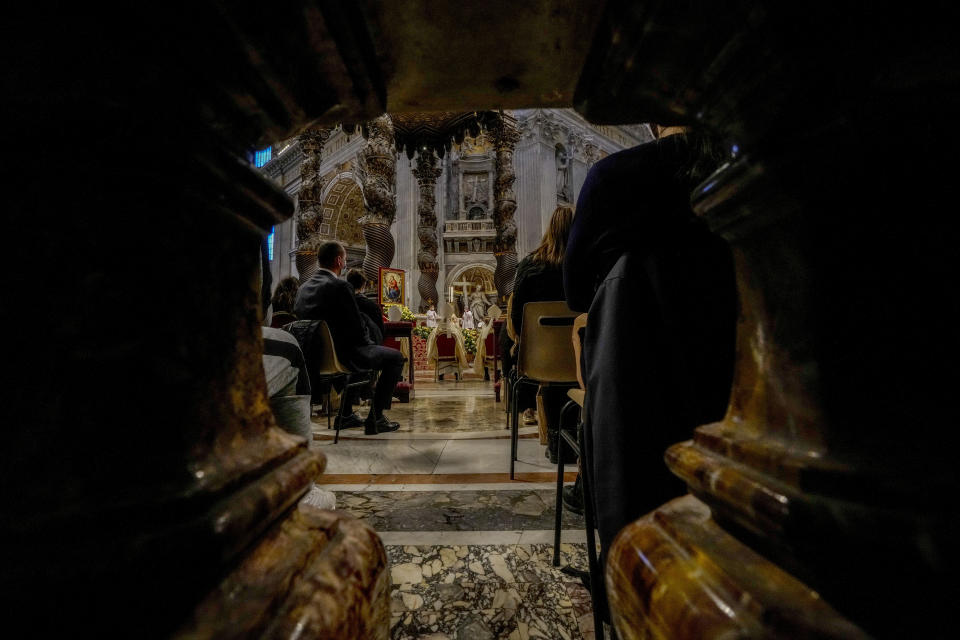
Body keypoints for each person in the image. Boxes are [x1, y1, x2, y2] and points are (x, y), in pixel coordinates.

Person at [562, 125, 737, 554]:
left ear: (653, 122)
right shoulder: (752, 166)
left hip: (636, 387)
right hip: (747, 384)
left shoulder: (615, 177)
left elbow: (576, 293)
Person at [295, 241, 404, 434]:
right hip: (343, 355)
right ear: (339, 260)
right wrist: (371, 343)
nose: (345, 262)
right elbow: (356, 330)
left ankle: (345, 416)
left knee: (362, 356)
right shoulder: (340, 287)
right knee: (394, 358)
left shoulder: (302, 289)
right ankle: (376, 418)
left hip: (312, 358)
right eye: (345, 259)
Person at [508, 205, 576, 460]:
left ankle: (557, 440)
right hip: (582, 357)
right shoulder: (585, 263)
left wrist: (523, 343)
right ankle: (576, 436)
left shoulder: (529, 265)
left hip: (539, 359)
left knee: (551, 371)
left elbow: (517, 317)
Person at [345, 268, 384, 344]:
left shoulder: (342, 303)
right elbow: (380, 332)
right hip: (369, 347)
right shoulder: (372, 306)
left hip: (346, 346)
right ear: (363, 285)